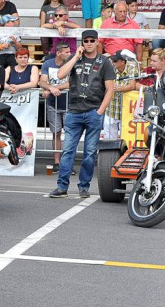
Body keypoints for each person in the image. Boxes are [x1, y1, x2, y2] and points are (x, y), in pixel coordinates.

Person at [47, 30, 115, 199]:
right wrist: (76, 57)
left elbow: (110, 89)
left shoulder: (104, 62)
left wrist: (100, 111)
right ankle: (62, 187)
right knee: (68, 151)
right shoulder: (74, 57)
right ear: (82, 42)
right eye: (86, 40)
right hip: (75, 111)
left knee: (90, 153)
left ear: (97, 42)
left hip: (93, 111)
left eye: (92, 40)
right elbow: (60, 75)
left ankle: (83, 186)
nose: (89, 43)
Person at [40, 42, 71, 170]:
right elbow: (41, 81)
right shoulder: (48, 63)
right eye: (67, 52)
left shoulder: (71, 63)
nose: (70, 54)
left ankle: (67, 162)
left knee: (70, 134)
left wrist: (53, 88)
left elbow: (72, 82)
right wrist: (50, 88)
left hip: (69, 103)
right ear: (58, 53)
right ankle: (57, 162)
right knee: (56, 133)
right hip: (53, 104)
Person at [103, 50, 138, 139]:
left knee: (126, 139)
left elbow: (132, 85)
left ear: (122, 62)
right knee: (109, 139)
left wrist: (118, 88)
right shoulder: (110, 67)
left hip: (126, 110)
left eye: (115, 61)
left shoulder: (132, 67)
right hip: (111, 108)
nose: (113, 63)